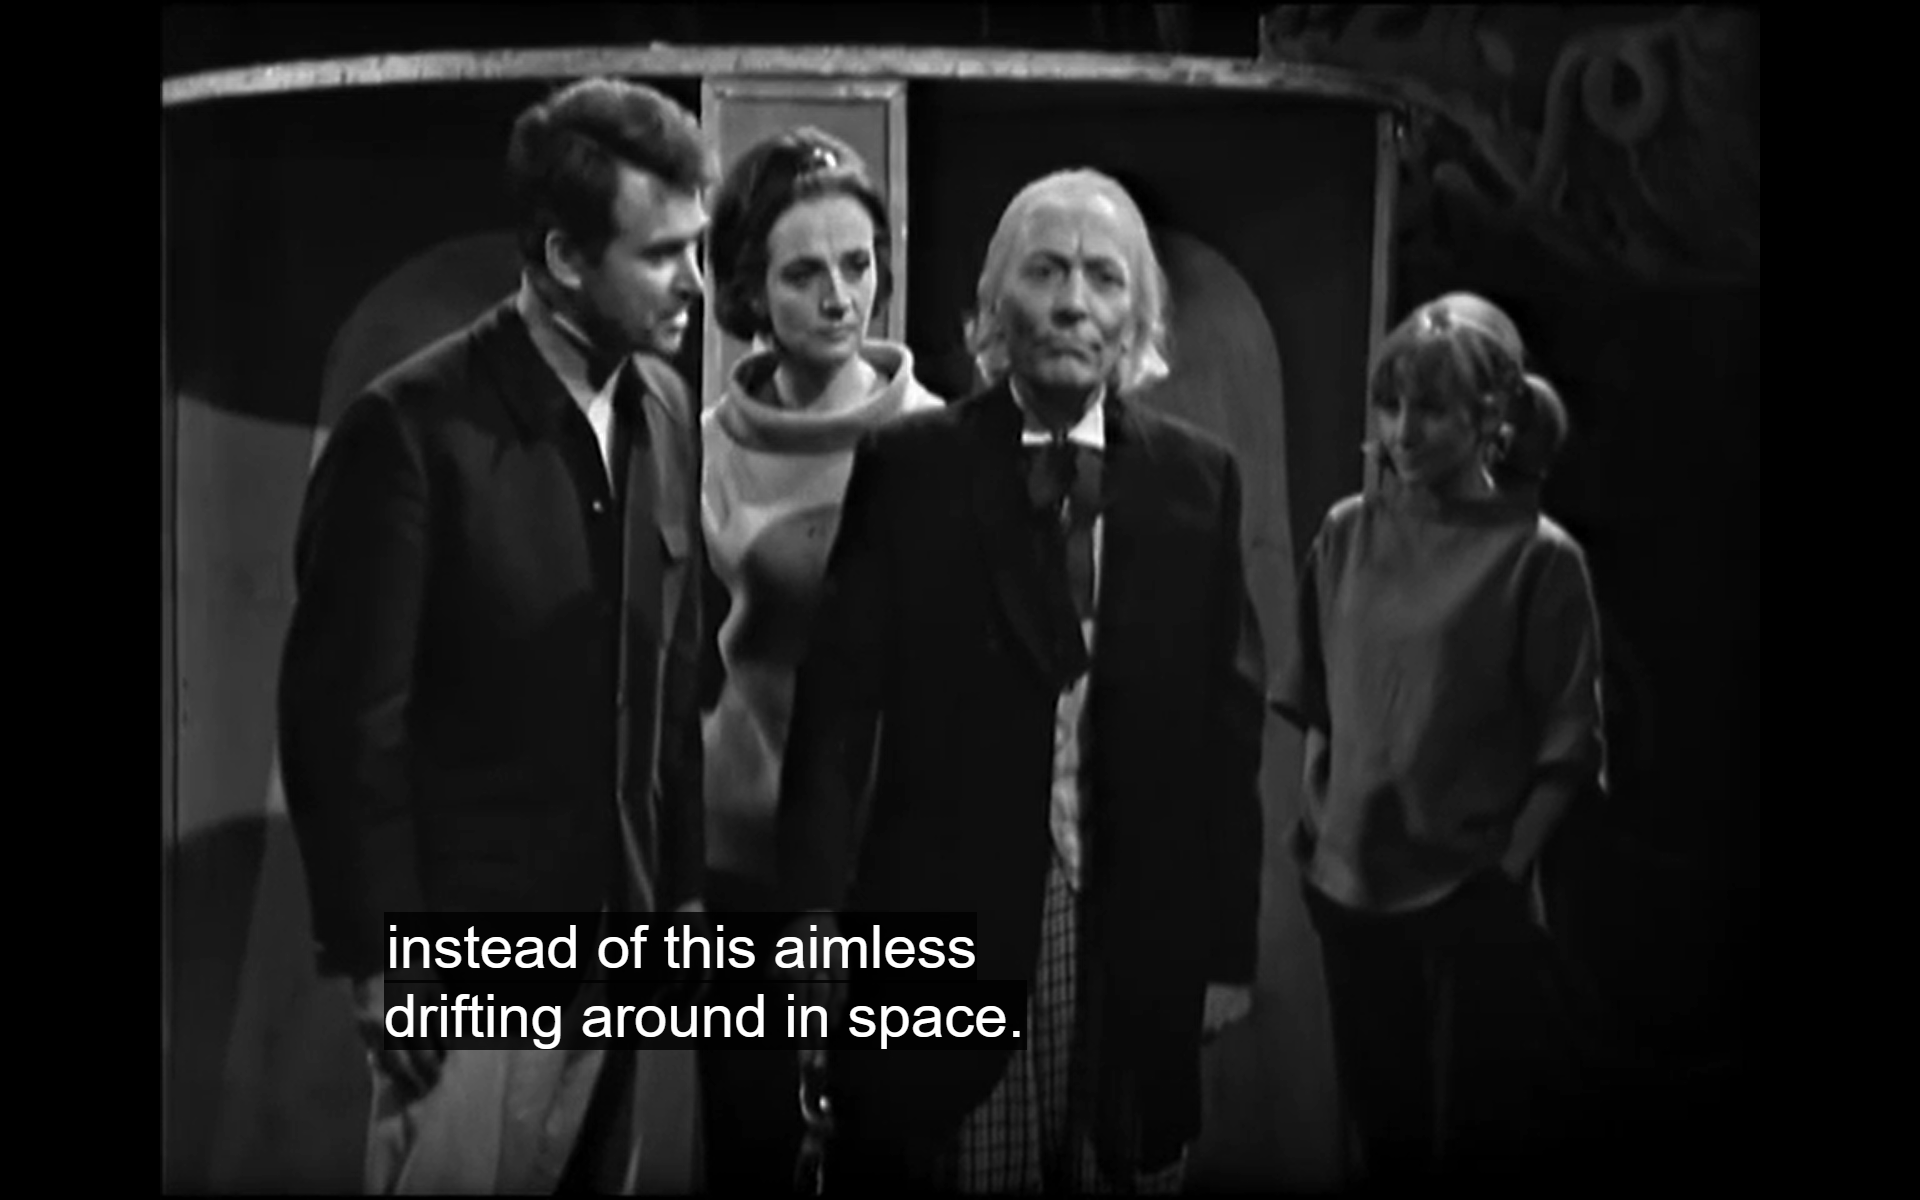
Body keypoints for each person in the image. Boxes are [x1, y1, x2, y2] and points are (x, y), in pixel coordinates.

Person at [775, 167, 1267, 1192]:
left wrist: (1225, 951)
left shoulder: (1198, 478)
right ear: (997, 302)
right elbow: (833, 721)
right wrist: (814, 938)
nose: (1073, 303)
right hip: (950, 929)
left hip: (1136, 936)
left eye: (1103, 278)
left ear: (1137, 316)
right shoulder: (911, 466)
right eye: (1045, 272)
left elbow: (1228, 738)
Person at [276, 76, 716, 1194]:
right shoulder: (409, 433)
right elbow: (345, 725)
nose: (697, 284)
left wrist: (678, 902)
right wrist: (385, 960)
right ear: (564, 258)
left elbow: (673, 691)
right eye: (663, 254)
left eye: (699, 248)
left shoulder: (666, 412)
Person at [1272, 292, 1608, 1184]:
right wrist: (1324, 826)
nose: (1401, 430)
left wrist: (1504, 875)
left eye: (1429, 408)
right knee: (1385, 1141)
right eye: (1389, 405)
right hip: (1350, 889)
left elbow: (1570, 739)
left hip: (1469, 898)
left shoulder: (1539, 557)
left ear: (1491, 418)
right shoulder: (1347, 532)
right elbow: (1319, 696)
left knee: (1472, 1142)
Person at [693, 126, 944, 1190]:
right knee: (752, 1142)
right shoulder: (704, 446)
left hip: (895, 857)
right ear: (750, 288)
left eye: (858, 264)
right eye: (805, 274)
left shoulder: (938, 441)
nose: (842, 297)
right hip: (742, 857)